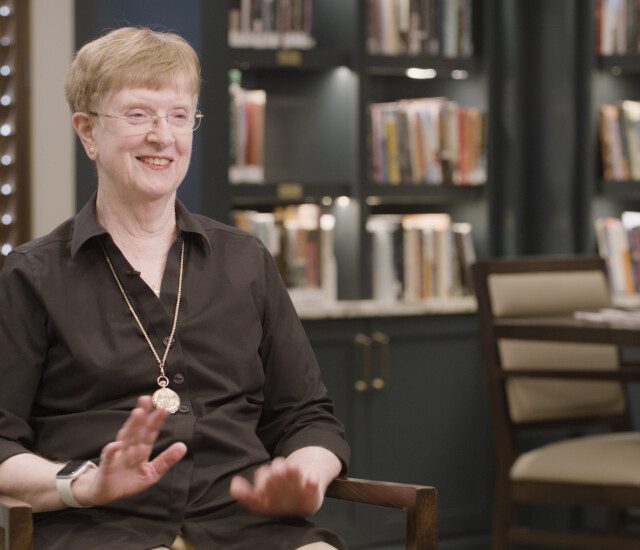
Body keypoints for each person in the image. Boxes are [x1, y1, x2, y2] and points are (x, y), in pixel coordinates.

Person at [0, 27, 349, 550]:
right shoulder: (32, 276)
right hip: (104, 529)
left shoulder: (246, 261)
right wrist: (82, 483)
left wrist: (306, 478)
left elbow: (306, 415)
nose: (163, 136)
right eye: (138, 114)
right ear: (88, 132)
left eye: (179, 115)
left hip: (249, 525)